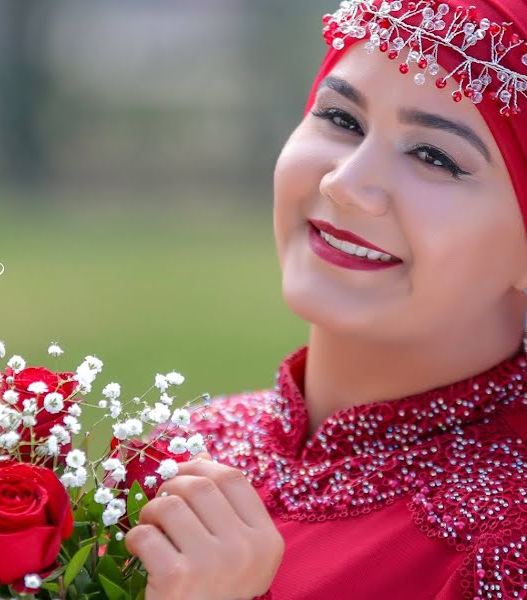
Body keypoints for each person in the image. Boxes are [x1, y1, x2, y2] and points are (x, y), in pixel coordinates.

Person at [124, 1, 527, 598]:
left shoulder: (503, 550)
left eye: (434, 156)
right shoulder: (172, 453)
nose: (345, 183)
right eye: (342, 118)